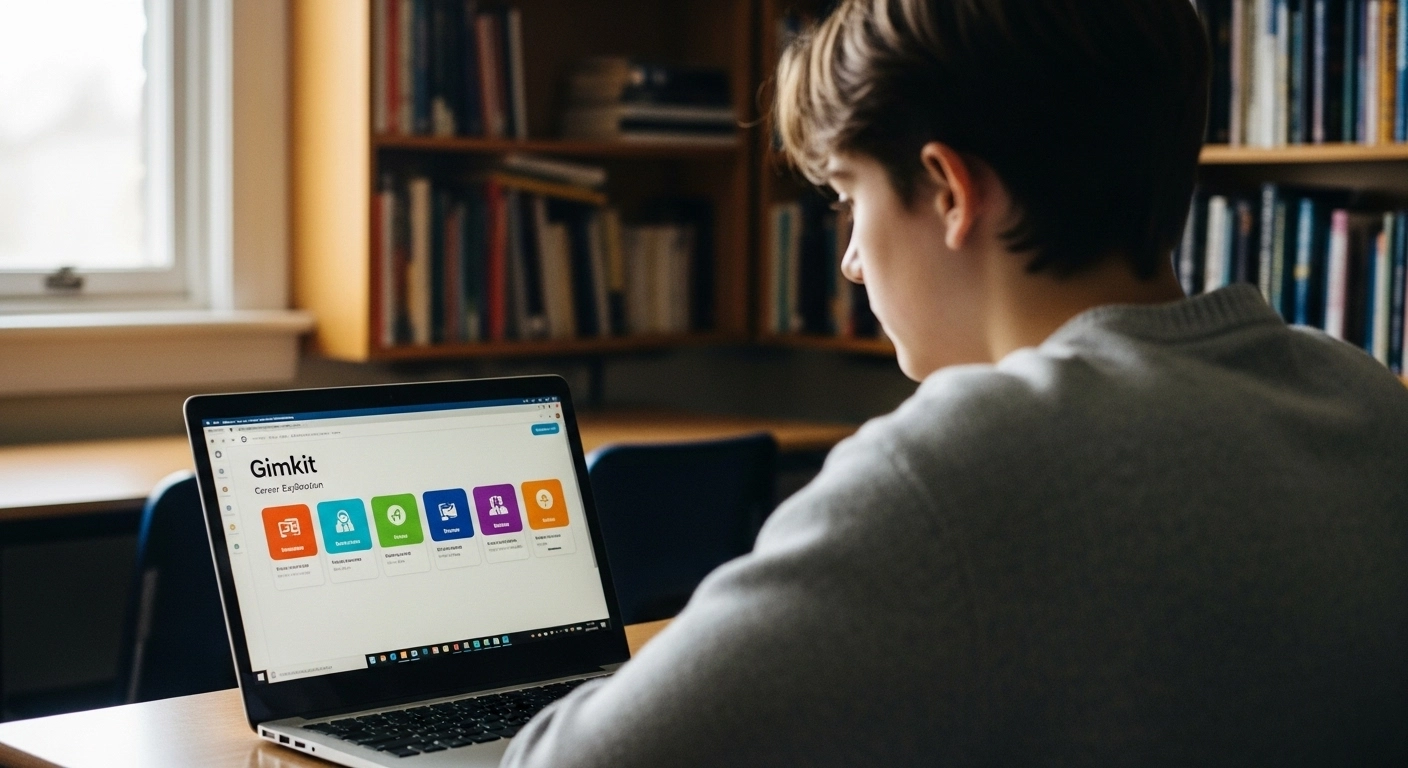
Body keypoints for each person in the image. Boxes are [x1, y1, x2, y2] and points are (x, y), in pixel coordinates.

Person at [502, 0, 1408, 764]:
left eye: (850, 195)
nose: (853, 261)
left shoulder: (952, 471)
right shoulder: (1363, 400)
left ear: (947, 191)